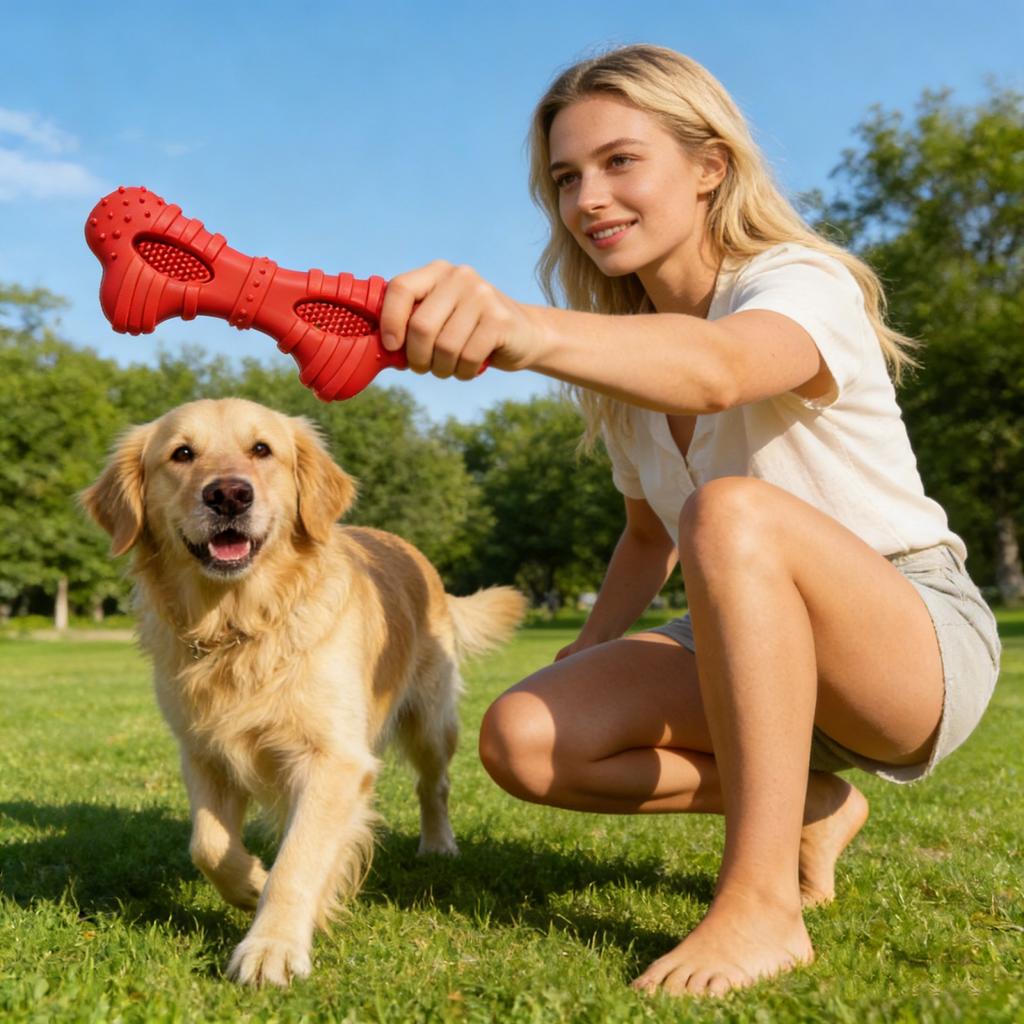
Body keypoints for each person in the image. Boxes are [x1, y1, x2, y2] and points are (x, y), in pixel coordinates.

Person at [377, 44, 1001, 998]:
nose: (589, 199)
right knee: (523, 739)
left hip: (910, 640)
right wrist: (585, 649)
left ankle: (760, 908)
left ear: (710, 167)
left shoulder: (797, 280)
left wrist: (524, 330)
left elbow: (719, 370)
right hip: (739, 643)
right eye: (566, 177)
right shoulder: (628, 370)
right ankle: (811, 804)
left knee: (735, 510)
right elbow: (645, 535)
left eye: (621, 162)